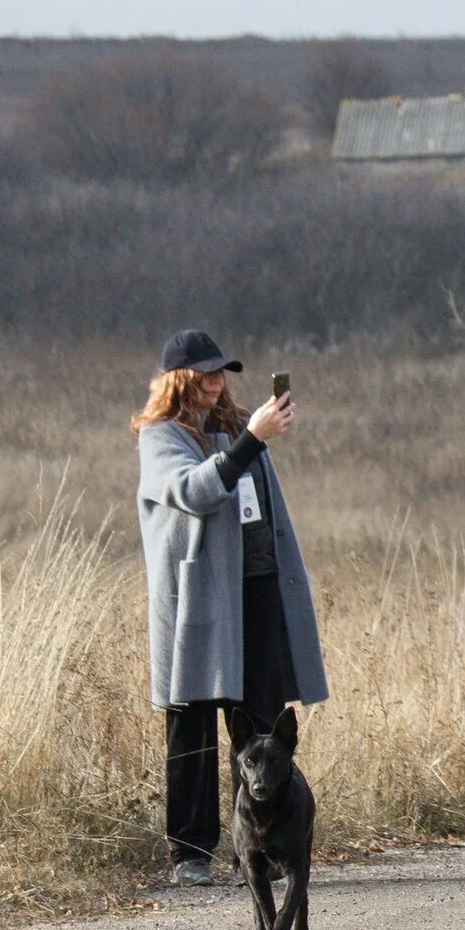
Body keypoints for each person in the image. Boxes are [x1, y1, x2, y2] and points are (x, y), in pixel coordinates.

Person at [134, 330, 327, 886]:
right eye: (206, 374)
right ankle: (191, 854)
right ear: (180, 381)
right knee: (192, 721)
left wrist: (254, 434)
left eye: (222, 373)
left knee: (260, 727)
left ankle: (261, 850)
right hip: (200, 597)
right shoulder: (161, 437)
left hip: (257, 587)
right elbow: (194, 492)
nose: (218, 383)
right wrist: (253, 440)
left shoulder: (237, 427)